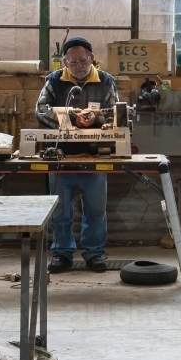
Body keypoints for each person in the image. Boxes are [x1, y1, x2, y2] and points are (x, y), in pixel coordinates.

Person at [35, 36, 118, 273]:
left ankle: (94, 253)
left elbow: (115, 111)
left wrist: (98, 117)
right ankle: (62, 253)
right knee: (60, 209)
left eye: (83, 60)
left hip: (96, 156)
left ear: (92, 59)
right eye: (73, 62)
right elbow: (39, 110)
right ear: (64, 61)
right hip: (61, 155)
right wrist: (70, 117)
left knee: (96, 209)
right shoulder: (54, 80)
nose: (79, 66)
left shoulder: (105, 80)